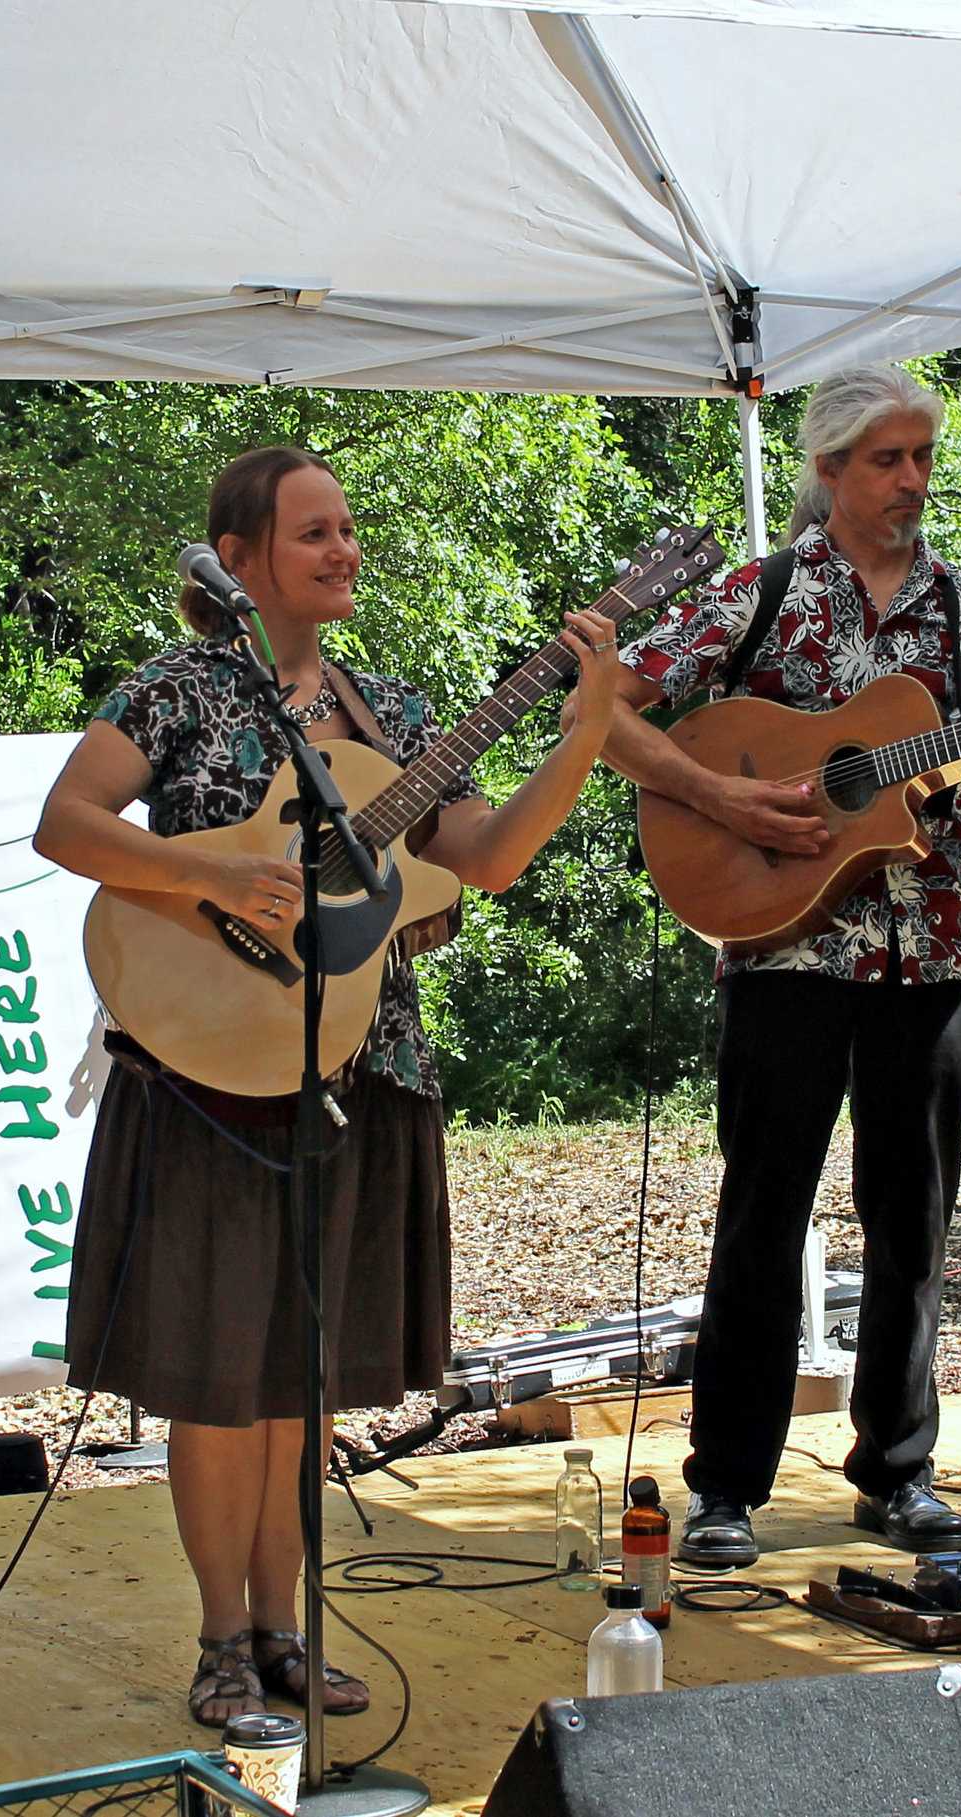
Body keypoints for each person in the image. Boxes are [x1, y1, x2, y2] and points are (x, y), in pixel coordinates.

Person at [33, 445, 619, 1728]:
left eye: (348, 528)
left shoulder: (389, 715)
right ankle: (221, 1640)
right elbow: (66, 824)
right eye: (312, 533)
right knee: (216, 1371)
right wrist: (212, 878)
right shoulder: (179, 690)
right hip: (203, 1070)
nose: (342, 549)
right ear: (237, 561)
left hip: (356, 1069)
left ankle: (285, 1629)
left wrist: (584, 733)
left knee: (300, 1375)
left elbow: (489, 856)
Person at [592, 365, 961, 1568]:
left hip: (933, 953)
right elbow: (613, 712)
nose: (911, 480)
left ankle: (895, 1471)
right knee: (761, 1214)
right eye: (888, 458)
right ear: (830, 469)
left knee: (914, 1220)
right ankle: (726, 1486)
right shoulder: (765, 594)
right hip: (785, 950)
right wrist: (723, 788)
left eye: (922, 458)